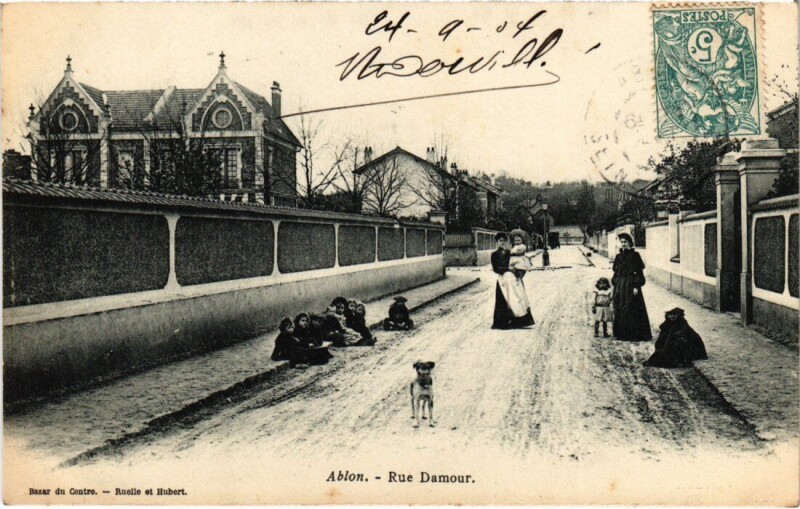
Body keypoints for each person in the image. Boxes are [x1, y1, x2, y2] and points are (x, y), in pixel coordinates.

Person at [611, 233, 652, 341]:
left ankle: (634, 335)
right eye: (622, 242)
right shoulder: (618, 257)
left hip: (630, 285)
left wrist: (636, 286)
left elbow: (639, 273)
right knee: (620, 308)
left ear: (630, 243)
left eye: (625, 242)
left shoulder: (635, 255)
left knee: (632, 308)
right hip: (620, 285)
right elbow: (616, 272)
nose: (623, 244)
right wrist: (615, 283)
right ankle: (621, 334)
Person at [491, 232, 535, 329]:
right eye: (500, 241)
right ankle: (501, 323)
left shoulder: (508, 252)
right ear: (497, 243)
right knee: (503, 300)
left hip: (512, 278)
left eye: (503, 241)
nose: (502, 243)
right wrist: (507, 269)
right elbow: (496, 269)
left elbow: (517, 259)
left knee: (517, 298)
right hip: (503, 280)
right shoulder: (494, 254)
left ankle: (519, 321)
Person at [644, 308, 708, 368]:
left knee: (679, 343)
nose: (672, 316)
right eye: (670, 314)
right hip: (673, 343)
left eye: (675, 314)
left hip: (687, 344)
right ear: (667, 315)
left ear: (679, 314)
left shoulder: (682, 323)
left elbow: (683, 336)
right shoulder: (667, 323)